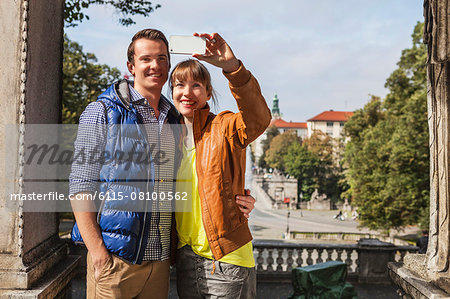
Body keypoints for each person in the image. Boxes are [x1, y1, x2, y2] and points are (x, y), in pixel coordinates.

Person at [69, 29, 256, 299]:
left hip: (160, 265)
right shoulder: (103, 111)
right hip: (115, 262)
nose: (155, 65)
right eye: (146, 59)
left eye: (161, 58)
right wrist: (98, 252)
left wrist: (236, 198)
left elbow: (201, 175)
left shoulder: (175, 120)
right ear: (131, 66)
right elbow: (79, 186)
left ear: (168, 64)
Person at [170, 33, 271, 298]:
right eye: (180, 85)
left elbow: (258, 119)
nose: (187, 92)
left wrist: (232, 68)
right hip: (186, 260)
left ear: (207, 92)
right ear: (172, 92)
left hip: (226, 260)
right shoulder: (169, 138)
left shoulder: (224, 126)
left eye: (196, 86)